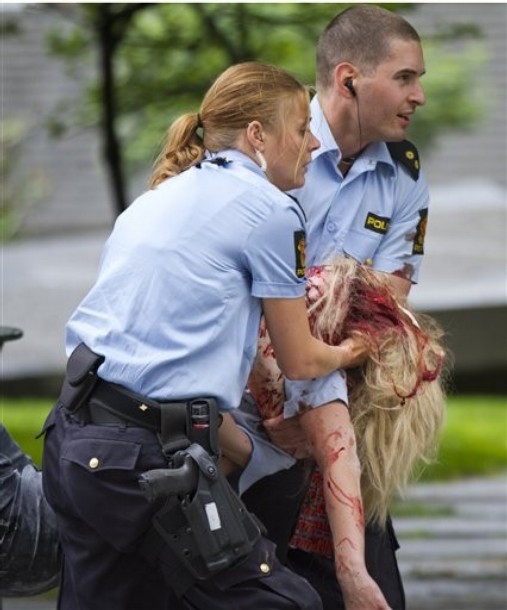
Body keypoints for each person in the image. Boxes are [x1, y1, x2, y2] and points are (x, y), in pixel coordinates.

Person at [40, 61, 369, 610]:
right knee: (289, 603)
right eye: (300, 128)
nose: (314, 143)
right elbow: (300, 360)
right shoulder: (271, 211)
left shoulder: (156, 198)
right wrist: (355, 349)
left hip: (72, 441)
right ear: (257, 135)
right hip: (143, 463)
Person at [238, 5, 434, 610]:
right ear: (349, 79)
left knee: (373, 589)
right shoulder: (269, 142)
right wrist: (276, 402)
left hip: (341, 411)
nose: (419, 96)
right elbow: (231, 290)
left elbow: (384, 311)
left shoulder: (404, 176)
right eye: (404, 78)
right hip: (240, 418)